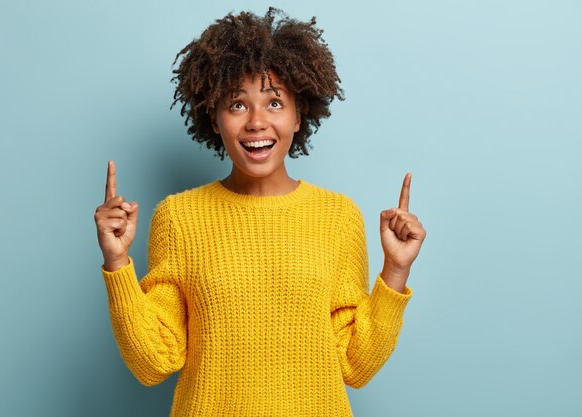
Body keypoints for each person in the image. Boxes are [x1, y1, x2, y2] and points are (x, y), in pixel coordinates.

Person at [94, 7, 426, 416]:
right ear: (213, 118)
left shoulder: (338, 217)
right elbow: (154, 361)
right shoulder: (178, 218)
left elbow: (354, 364)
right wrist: (117, 262)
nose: (256, 122)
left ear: (299, 114)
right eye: (236, 104)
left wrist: (395, 270)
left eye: (274, 102)